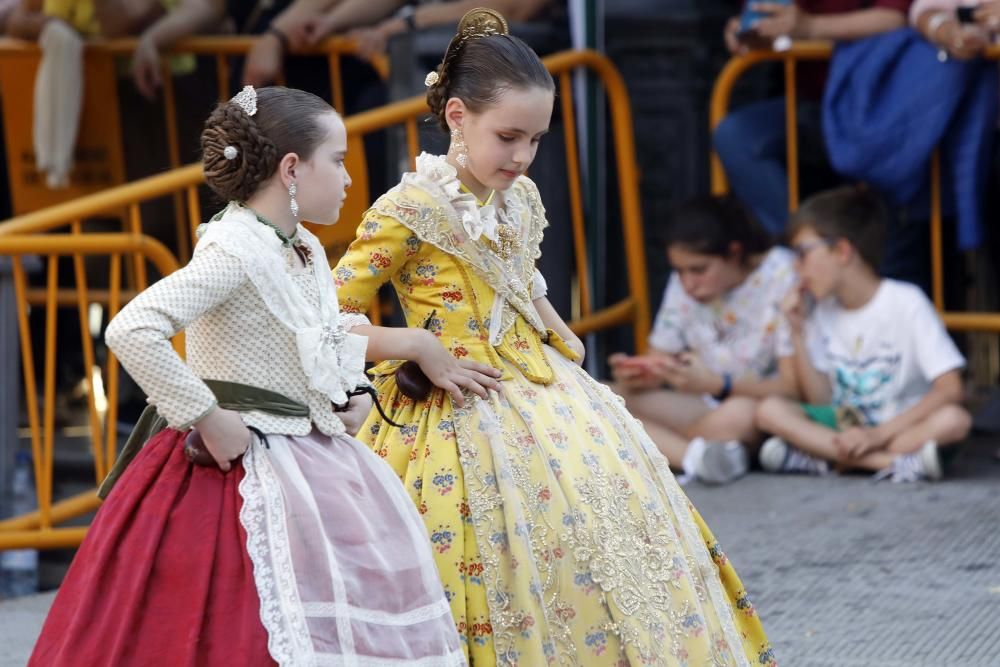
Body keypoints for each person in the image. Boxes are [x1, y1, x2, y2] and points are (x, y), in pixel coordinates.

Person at [333, 9, 774, 666]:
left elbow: (521, 278)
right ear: (456, 117)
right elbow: (325, 314)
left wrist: (558, 328)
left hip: (547, 391)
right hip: (451, 408)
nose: (522, 155)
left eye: (536, 139)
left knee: (600, 539)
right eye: (508, 136)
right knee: (485, 556)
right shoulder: (408, 208)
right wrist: (417, 346)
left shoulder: (521, 196)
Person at [29, 86, 464, 666]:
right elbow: (132, 328)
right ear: (291, 169)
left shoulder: (300, 245)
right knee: (234, 618)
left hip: (306, 455)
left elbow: (322, 333)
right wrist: (207, 417)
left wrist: (350, 392)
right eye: (337, 160)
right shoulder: (234, 250)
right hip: (235, 465)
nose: (348, 178)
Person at [756, 185, 972, 482]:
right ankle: (889, 464)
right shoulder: (821, 311)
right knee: (769, 410)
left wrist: (876, 435)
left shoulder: (906, 301)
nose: (796, 267)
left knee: (954, 420)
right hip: (846, 431)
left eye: (802, 253)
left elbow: (951, 389)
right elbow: (822, 402)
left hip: (897, 429)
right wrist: (797, 332)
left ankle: (826, 459)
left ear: (843, 251)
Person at [609, 195, 799, 485]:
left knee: (740, 414)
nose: (687, 283)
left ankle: (668, 448)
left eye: (698, 270)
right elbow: (657, 358)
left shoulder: (783, 275)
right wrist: (637, 372)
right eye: (679, 271)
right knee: (601, 395)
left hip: (758, 406)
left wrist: (717, 383)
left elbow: (793, 387)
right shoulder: (686, 282)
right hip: (701, 405)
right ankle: (701, 455)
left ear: (734, 253)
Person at [714, 0, 912, 236]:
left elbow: (897, 18)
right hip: (811, 103)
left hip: (880, 104)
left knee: (889, 216)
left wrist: (812, 27)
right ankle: (800, 251)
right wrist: (752, 31)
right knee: (737, 136)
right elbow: (771, 20)